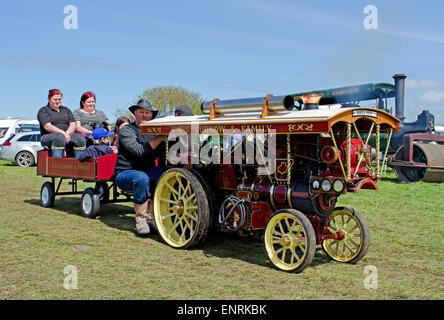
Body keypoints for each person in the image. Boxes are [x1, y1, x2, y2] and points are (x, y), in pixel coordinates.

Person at [114, 100, 166, 235]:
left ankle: (152, 215)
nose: (144, 115)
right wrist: (161, 136)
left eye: (147, 113)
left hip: (146, 171)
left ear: (151, 116)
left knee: (164, 175)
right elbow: (139, 151)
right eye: (141, 112)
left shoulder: (154, 132)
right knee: (141, 178)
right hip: (125, 173)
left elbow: (164, 154)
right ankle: (141, 218)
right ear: (134, 114)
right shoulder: (126, 130)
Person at [37, 89, 86, 158]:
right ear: (49, 99)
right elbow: (47, 126)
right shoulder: (43, 111)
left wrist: (67, 133)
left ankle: (79, 164)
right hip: (48, 136)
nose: (57, 101)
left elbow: (73, 124)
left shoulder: (66, 110)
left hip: (67, 135)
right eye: (55, 99)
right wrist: (63, 133)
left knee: (80, 138)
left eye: (59, 99)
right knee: (59, 138)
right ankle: (57, 164)